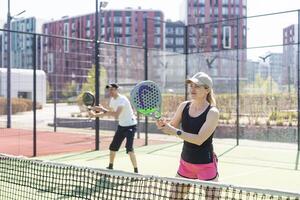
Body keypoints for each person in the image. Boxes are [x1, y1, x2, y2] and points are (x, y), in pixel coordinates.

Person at [156, 72, 219, 199]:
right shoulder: (184, 106)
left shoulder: (213, 112)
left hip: (205, 165)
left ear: (207, 89)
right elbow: (170, 128)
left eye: (197, 86)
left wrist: (174, 131)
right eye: (191, 86)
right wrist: (163, 125)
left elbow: (199, 140)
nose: (192, 89)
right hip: (186, 163)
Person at [89, 83, 139, 173]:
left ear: (117, 90)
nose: (110, 91)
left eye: (112, 89)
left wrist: (103, 109)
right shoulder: (112, 100)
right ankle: (110, 166)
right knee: (112, 147)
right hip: (121, 126)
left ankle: (136, 170)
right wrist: (95, 115)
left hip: (131, 126)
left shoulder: (122, 99)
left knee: (129, 148)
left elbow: (116, 114)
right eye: (109, 90)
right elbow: (109, 113)